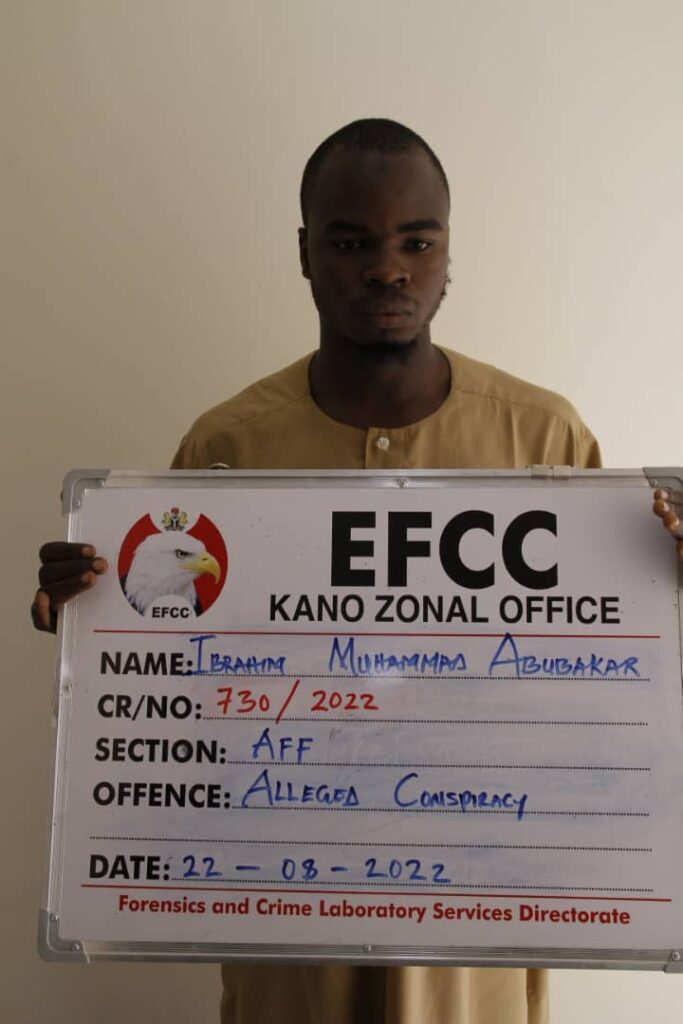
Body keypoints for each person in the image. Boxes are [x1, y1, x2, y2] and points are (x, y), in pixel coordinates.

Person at [32, 119, 683, 1024]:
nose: (387, 270)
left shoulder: (545, 439)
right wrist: (89, 618)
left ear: (448, 253)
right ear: (304, 253)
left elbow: (610, 693)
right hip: (289, 932)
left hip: (477, 950)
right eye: (351, 244)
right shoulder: (226, 446)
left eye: (417, 242)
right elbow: (171, 679)